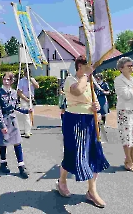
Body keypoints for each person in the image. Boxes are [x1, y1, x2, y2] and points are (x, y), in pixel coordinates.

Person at [56, 55, 109, 208]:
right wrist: (86, 75)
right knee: (73, 154)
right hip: (74, 121)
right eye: (89, 66)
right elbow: (78, 91)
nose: (92, 69)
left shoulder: (90, 81)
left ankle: (91, 191)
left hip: (89, 121)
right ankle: (62, 181)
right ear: (80, 66)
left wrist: (96, 107)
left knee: (94, 154)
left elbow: (95, 102)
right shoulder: (70, 80)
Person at [0, 72, 32, 179]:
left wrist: (26, 111)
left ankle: (21, 166)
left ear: (12, 81)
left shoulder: (14, 93)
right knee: (3, 143)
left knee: (17, 142)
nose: (6, 81)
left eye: (8, 80)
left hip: (12, 120)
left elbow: (16, 106)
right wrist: (2, 126)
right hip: (3, 120)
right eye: (4, 79)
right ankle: (3, 163)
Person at [114, 57, 133, 173]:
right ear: (121, 68)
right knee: (127, 137)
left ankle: (132, 157)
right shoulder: (119, 80)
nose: (131, 68)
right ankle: (128, 161)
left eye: (132, 65)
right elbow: (126, 95)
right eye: (128, 66)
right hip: (125, 111)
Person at [17, 67, 40, 138]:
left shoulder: (32, 80)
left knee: (30, 115)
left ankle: (28, 129)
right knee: (26, 115)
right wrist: (26, 99)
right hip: (24, 99)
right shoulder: (21, 81)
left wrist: (32, 81)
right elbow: (19, 92)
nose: (27, 74)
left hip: (31, 99)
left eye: (29, 72)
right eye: (26, 72)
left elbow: (37, 86)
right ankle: (27, 132)